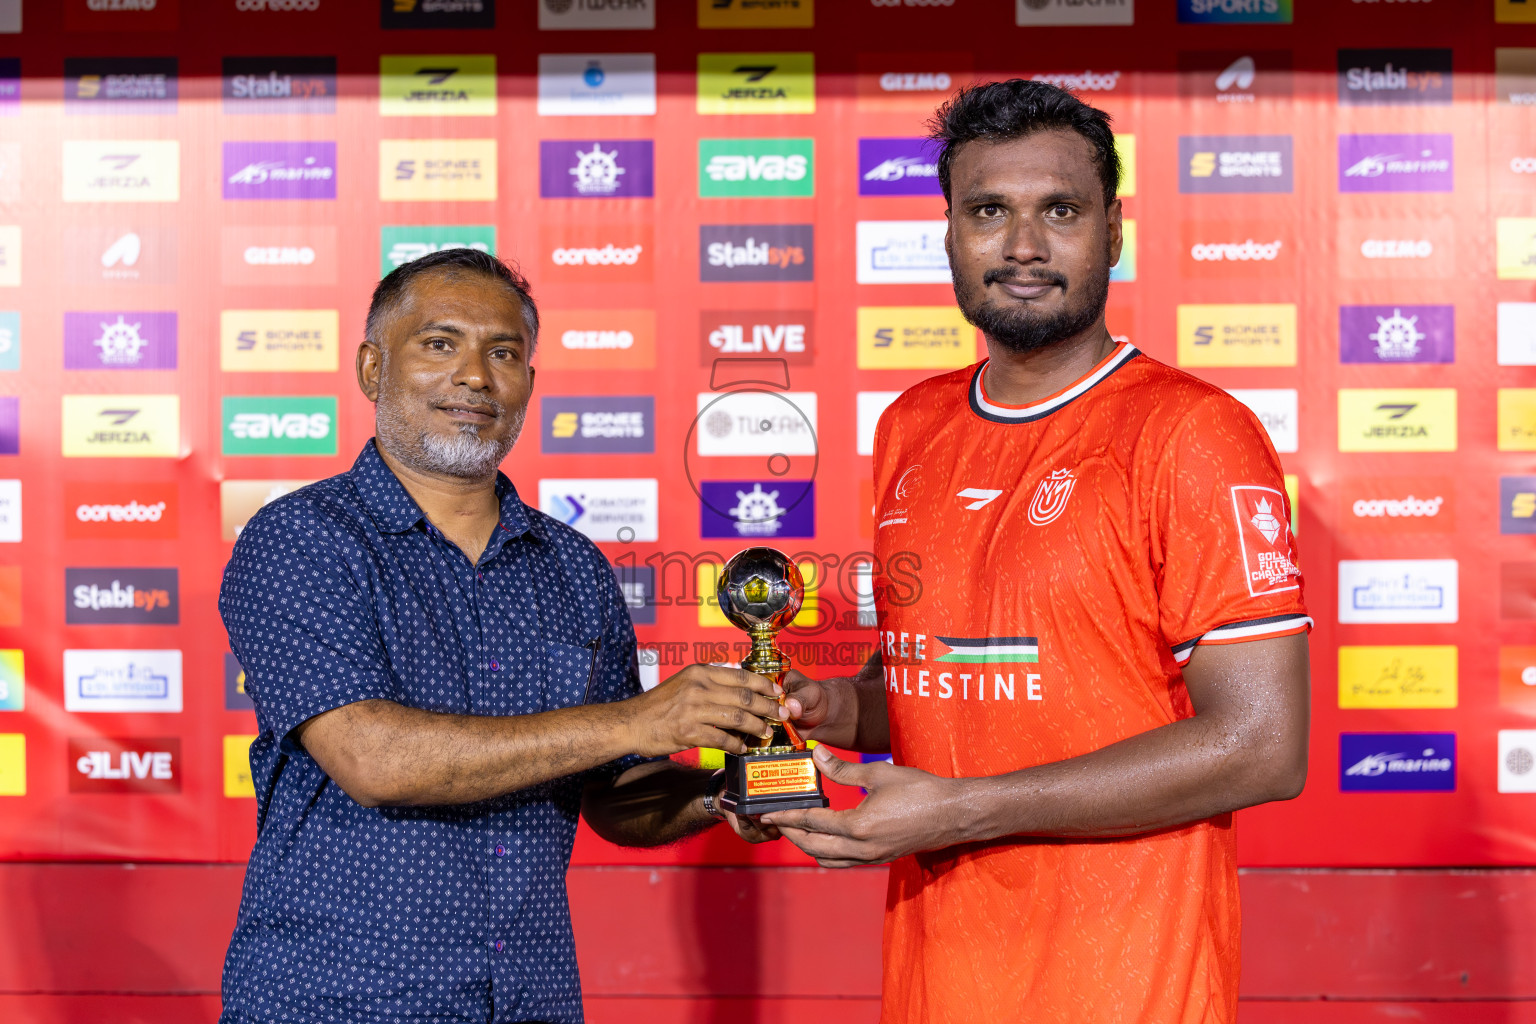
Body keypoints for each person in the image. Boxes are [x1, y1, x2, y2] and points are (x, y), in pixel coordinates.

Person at [762, 80, 1312, 1023]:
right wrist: (837, 708)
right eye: (989, 211)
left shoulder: (1192, 434)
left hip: (1125, 983)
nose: (1023, 246)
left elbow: (1262, 748)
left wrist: (961, 809)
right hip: (940, 976)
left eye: (1060, 209)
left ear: (1114, 231)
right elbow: (955, 691)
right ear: (948, 234)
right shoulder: (911, 425)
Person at [218, 247, 778, 1024]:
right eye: (440, 344)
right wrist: (638, 720)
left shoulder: (574, 568)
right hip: (339, 998)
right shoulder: (303, 539)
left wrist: (730, 791)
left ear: (529, 386)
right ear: (372, 368)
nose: (476, 377)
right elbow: (373, 758)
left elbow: (619, 792)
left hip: (531, 1001)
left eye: (504, 352)